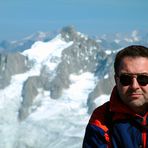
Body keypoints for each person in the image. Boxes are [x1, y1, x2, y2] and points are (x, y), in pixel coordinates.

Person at [83, 45, 148, 148]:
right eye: (125, 79)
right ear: (116, 80)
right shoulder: (101, 120)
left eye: (143, 78)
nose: (135, 86)